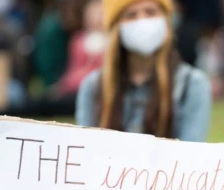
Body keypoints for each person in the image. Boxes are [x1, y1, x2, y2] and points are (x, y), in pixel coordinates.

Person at [75, 0, 212, 142]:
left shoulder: (192, 84)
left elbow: (191, 153)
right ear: (116, 27)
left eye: (150, 12)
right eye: (131, 15)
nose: (142, 21)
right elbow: (87, 150)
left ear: (166, 20)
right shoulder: (93, 86)